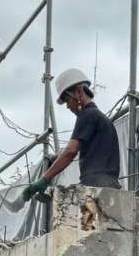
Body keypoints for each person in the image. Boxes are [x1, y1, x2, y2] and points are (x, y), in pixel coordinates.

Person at [22, 68, 121, 200]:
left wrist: (44, 179)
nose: (68, 106)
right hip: (110, 186)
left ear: (79, 92)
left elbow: (70, 151)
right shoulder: (102, 119)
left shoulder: (87, 115)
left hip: (95, 186)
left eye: (67, 100)